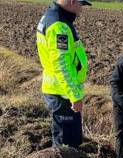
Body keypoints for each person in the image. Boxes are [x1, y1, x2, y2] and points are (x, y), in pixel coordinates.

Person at [36, 0, 91, 147]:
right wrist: (74, 96)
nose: (81, 9)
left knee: (69, 142)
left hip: (61, 91)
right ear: (72, 1)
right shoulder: (59, 25)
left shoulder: (54, 17)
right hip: (62, 94)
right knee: (66, 146)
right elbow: (62, 66)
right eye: (81, 4)